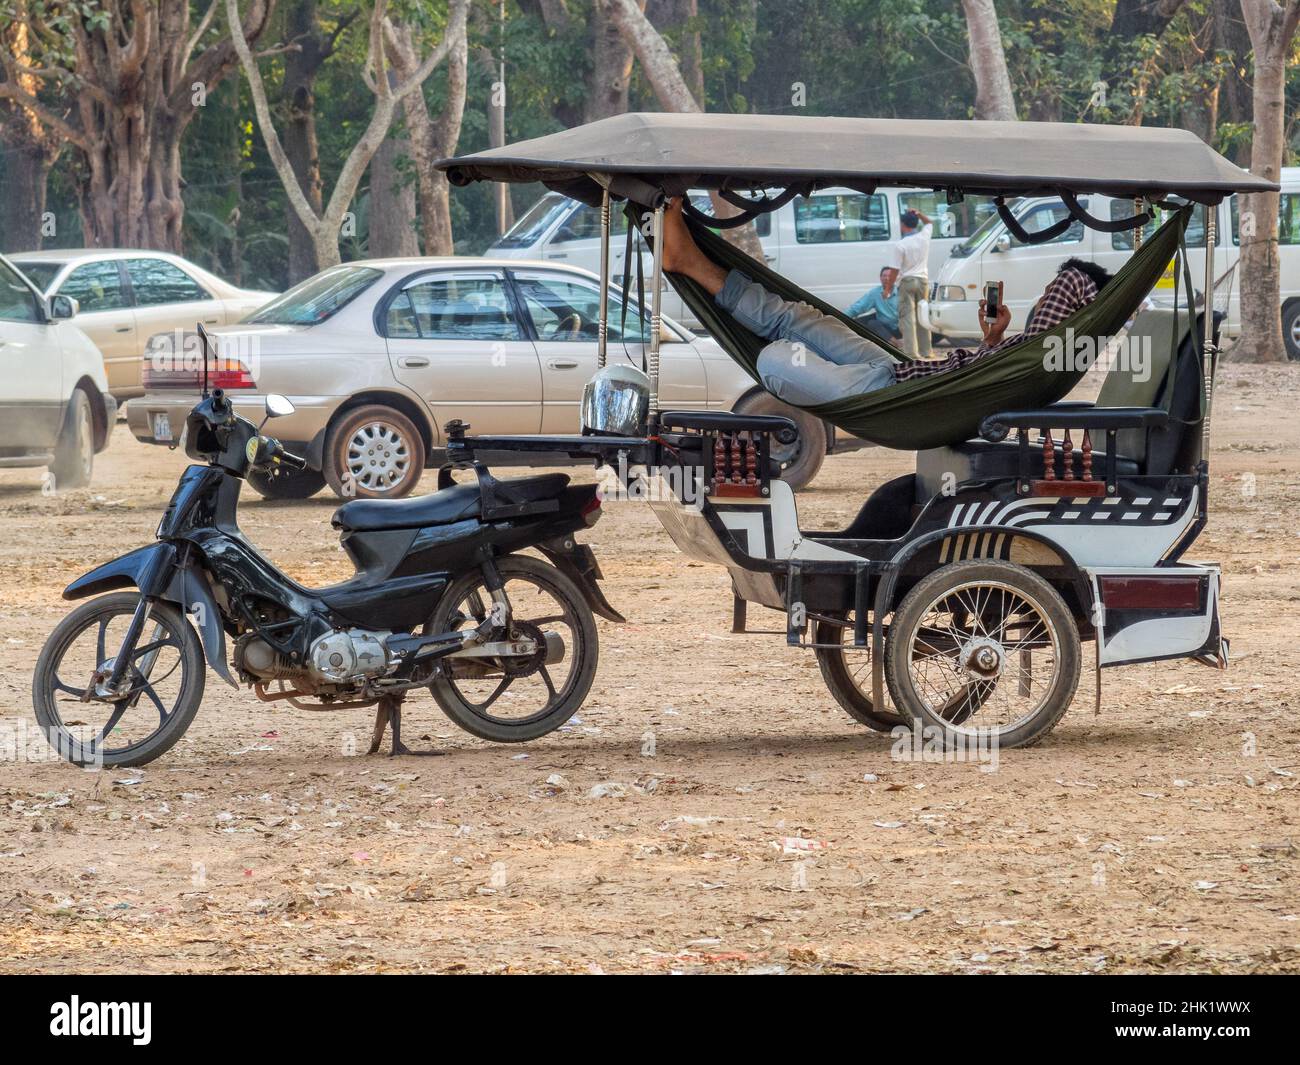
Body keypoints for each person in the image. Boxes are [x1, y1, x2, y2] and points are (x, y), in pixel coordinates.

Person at [659, 198, 1111, 407]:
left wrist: (1074, 289)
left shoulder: (1045, 355)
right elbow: (992, 376)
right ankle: (690, 262)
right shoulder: (1031, 357)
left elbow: (1060, 310)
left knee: (777, 359)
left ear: (1068, 306)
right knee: (798, 317)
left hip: (889, 398)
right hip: (892, 368)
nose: (1043, 302)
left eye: (1052, 297)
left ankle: (694, 266)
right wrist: (992, 340)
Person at [883, 208, 932, 358]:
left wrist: (888, 289)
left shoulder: (901, 245)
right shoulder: (924, 236)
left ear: (903, 225)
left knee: (907, 319)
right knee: (922, 316)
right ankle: (926, 351)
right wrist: (918, 213)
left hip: (907, 282)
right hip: (923, 281)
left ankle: (911, 354)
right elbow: (929, 222)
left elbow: (894, 270)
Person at [846, 267, 901, 342]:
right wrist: (840, 317)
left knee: (873, 322)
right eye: (884, 276)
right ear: (880, 278)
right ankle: (891, 340)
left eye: (890, 276)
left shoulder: (902, 292)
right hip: (885, 328)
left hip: (900, 329)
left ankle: (894, 342)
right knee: (857, 322)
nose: (887, 278)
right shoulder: (875, 293)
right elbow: (858, 307)